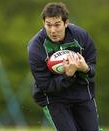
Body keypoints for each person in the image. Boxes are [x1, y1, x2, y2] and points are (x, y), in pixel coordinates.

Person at [27, 2, 101, 131]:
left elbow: (92, 66)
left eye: (57, 25)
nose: (53, 30)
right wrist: (68, 75)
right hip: (54, 98)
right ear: (43, 23)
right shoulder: (36, 48)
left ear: (66, 23)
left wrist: (86, 69)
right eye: (48, 25)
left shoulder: (81, 36)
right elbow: (46, 85)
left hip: (82, 92)